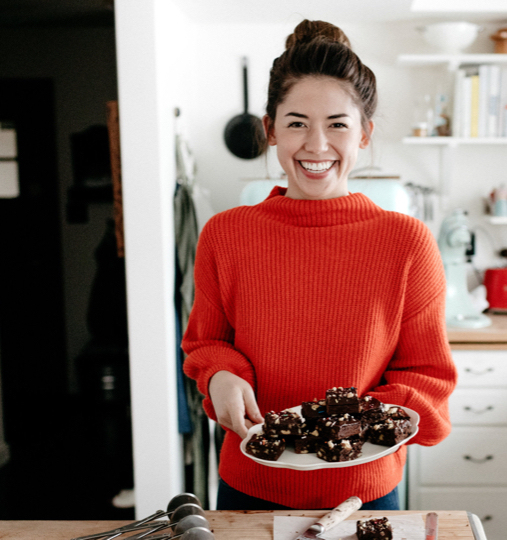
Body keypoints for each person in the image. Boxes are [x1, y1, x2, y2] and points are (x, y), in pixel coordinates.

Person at [181, 19, 457, 511]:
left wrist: (355, 428)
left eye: (337, 124)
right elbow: (208, 343)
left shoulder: (407, 242)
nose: (316, 145)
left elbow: (427, 373)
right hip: (251, 484)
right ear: (270, 130)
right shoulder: (226, 234)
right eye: (296, 123)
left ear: (365, 134)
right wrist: (219, 375)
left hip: (363, 495)